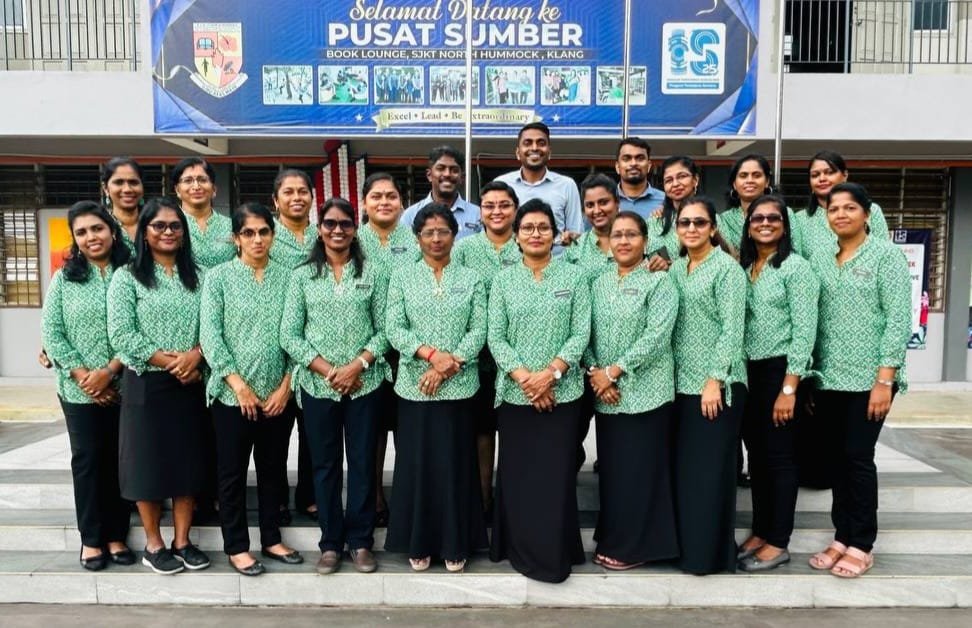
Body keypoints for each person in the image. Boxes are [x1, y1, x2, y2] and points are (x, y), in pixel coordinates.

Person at [280, 197, 390, 575]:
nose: (338, 230)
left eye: (345, 223)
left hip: (365, 383)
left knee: (361, 464)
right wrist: (331, 371)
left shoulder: (373, 273)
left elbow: (385, 331)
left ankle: (360, 542)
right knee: (325, 466)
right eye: (330, 224)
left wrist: (357, 365)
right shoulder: (302, 276)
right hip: (318, 386)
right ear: (319, 228)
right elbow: (290, 335)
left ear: (355, 229)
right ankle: (330, 543)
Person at [807, 182, 910, 579]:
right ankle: (841, 536)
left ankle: (862, 543)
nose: (841, 215)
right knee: (835, 460)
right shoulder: (820, 257)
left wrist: (885, 379)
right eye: (834, 209)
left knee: (857, 457)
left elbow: (898, 320)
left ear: (867, 214)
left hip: (870, 379)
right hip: (829, 377)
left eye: (850, 208)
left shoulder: (886, 256)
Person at [488, 199, 591, 583]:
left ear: (554, 234)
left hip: (563, 396)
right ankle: (518, 547)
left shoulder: (575, 278)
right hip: (515, 397)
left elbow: (581, 332)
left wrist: (550, 374)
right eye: (527, 228)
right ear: (516, 236)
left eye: (543, 227)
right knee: (518, 476)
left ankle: (554, 552)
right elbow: (494, 337)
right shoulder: (502, 280)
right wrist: (525, 379)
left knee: (555, 476)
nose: (535, 234)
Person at [199, 203, 303, 577]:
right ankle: (237, 546)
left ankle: (272, 539)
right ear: (236, 237)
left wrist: (287, 385)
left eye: (263, 232)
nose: (257, 239)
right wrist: (237, 384)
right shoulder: (219, 278)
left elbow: (298, 334)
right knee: (232, 473)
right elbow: (210, 336)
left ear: (273, 235)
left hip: (278, 395)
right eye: (249, 233)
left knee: (273, 469)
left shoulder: (290, 277)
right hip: (232, 397)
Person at [107, 197, 209, 575]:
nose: (168, 232)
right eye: (159, 226)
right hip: (146, 383)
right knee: (147, 464)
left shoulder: (197, 277)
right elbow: (122, 334)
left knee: (187, 463)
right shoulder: (127, 277)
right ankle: (154, 543)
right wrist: (173, 362)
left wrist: (195, 356)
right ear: (145, 233)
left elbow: (211, 326)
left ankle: (182, 540)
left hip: (191, 382)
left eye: (175, 226)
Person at [384, 203, 488, 572]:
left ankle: (456, 542)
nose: (436, 238)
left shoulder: (471, 277)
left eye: (443, 231)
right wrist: (431, 357)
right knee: (418, 466)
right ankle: (420, 540)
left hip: (460, 388)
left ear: (455, 235)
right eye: (428, 232)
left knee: (456, 466)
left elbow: (480, 328)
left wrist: (448, 366)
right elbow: (394, 327)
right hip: (415, 388)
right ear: (417, 238)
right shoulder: (402, 277)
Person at [41, 201, 134, 571]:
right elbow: (53, 332)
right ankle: (91, 539)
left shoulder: (130, 274)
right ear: (75, 240)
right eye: (81, 232)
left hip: (124, 384)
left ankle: (116, 535)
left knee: (119, 460)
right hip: (77, 389)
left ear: (111, 230)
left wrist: (109, 372)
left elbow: (136, 329)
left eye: (97, 229)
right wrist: (84, 376)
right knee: (88, 460)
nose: (90, 237)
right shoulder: (64, 279)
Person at [585, 211, 679, 570]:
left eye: (632, 235)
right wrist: (596, 373)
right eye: (617, 235)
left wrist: (614, 372)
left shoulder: (660, 283)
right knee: (616, 473)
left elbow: (656, 336)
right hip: (606, 396)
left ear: (645, 241)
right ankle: (615, 538)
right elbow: (586, 331)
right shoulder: (598, 281)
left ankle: (638, 547)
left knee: (641, 473)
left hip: (647, 392)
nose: (623, 241)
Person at [734, 195, 820, 572]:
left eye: (773, 218)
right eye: (757, 218)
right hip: (748, 372)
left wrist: (789, 388)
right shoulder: (747, 266)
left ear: (784, 225)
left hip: (780, 372)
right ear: (748, 224)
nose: (765, 223)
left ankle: (779, 541)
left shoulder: (796, 269)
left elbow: (805, 332)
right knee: (759, 459)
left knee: (781, 460)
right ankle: (761, 531)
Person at [669, 196, 747, 575]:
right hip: (679, 386)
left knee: (710, 474)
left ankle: (710, 556)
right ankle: (688, 549)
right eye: (685, 223)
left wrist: (714, 379)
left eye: (700, 223)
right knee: (687, 474)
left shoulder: (726, 270)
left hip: (716, 386)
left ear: (713, 228)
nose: (692, 229)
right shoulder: (675, 270)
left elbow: (733, 331)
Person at [452, 181, 522, 517]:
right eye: (490, 205)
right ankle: (482, 500)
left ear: (515, 210)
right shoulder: (465, 249)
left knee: (512, 433)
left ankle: (512, 500)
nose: (497, 211)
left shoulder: (527, 245)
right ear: (480, 211)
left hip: (519, 358)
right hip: (474, 359)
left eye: (504, 205)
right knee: (480, 430)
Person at [356, 172, 419, 528]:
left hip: (410, 351)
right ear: (365, 203)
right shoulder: (354, 239)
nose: (384, 202)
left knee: (406, 429)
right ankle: (375, 496)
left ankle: (406, 496)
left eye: (391, 196)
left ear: (402, 203)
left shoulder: (415, 240)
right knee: (373, 430)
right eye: (376, 196)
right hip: (369, 353)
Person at [268, 168, 318, 524]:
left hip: (315, 348)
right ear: (276, 200)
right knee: (277, 431)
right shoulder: (267, 237)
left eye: (303, 191)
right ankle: (276, 498)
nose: (297, 197)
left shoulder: (323, 235)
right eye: (289, 192)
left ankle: (310, 495)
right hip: (274, 344)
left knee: (313, 430)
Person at [564, 173, 621, 471]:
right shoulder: (574, 251)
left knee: (620, 446)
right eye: (590, 204)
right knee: (570, 436)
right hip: (583, 358)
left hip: (624, 358)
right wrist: (594, 370)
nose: (597, 210)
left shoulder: (637, 242)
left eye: (604, 202)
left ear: (617, 203)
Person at [495, 122, 583, 252]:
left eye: (541, 143)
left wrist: (570, 238)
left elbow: (576, 236)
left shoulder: (567, 185)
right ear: (518, 153)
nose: (535, 148)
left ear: (549, 152)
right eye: (528, 143)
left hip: (556, 266)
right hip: (509, 266)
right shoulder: (502, 184)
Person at [799, 150, 891, 257]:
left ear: (845, 175)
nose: (822, 178)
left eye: (829, 172)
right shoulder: (799, 220)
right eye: (815, 175)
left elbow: (885, 253)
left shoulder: (870, 210)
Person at [718, 154, 802, 255]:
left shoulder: (784, 213)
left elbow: (796, 250)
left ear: (767, 181)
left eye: (756, 175)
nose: (750, 180)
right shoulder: (725, 220)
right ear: (734, 184)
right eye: (743, 176)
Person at [401, 146, 481, 240]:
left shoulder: (477, 215)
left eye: (454, 170)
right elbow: (403, 251)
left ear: (462, 177)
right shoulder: (410, 215)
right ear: (429, 175)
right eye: (441, 168)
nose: (447, 174)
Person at [172, 157, 235, 269]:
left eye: (202, 180)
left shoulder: (232, 226)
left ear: (214, 189)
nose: (196, 187)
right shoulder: (167, 226)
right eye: (188, 181)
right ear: (177, 190)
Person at [645, 156, 701, 272]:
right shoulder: (655, 221)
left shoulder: (709, 219)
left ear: (695, 180)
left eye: (682, 176)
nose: (675, 184)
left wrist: (672, 267)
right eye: (669, 180)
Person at [614, 137, 666, 220]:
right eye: (626, 159)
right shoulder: (605, 202)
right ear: (617, 167)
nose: (633, 163)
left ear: (649, 166)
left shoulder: (665, 201)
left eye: (640, 158)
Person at [100, 157, 144, 252]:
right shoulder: (99, 226)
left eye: (133, 182)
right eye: (119, 182)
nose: (127, 189)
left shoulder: (155, 224)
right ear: (106, 188)